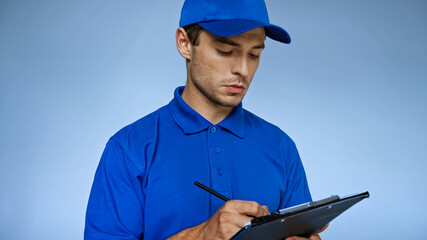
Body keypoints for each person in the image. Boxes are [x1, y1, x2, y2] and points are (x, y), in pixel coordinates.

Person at [85, 0, 327, 239]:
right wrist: (202, 236)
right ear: (185, 43)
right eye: (226, 51)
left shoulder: (282, 148)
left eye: (254, 54)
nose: (242, 69)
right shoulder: (129, 150)